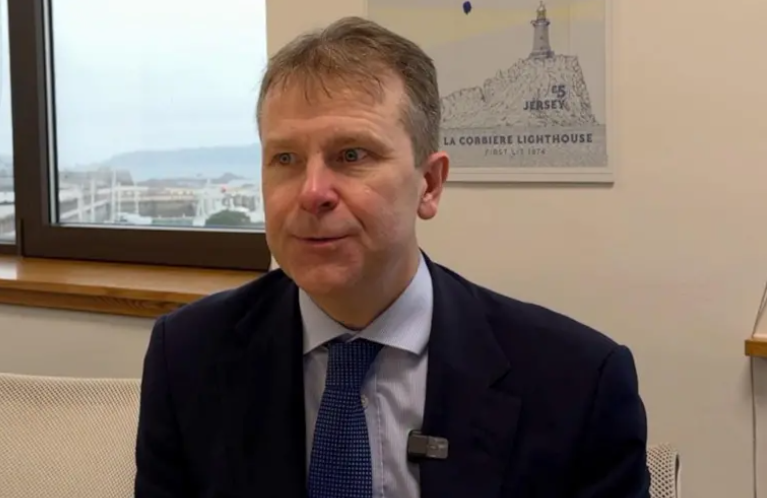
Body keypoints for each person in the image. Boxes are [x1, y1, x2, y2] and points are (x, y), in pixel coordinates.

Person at [134, 16, 650, 498]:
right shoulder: (188, 355)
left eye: (352, 155)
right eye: (285, 159)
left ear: (429, 184)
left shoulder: (577, 383)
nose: (312, 192)